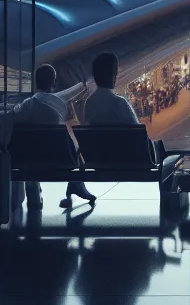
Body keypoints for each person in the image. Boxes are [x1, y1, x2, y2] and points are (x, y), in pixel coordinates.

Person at [14, 64, 99, 211]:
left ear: (35, 82)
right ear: (54, 83)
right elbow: (70, 96)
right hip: (59, 160)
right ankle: (77, 185)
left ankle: (33, 196)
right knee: (74, 146)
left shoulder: (27, 106)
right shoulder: (58, 105)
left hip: (29, 160)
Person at [82, 52, 168, 164]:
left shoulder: (89, 104)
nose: (116, 76)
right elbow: (139, 136)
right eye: (114, 73)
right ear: (112, 75)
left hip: (104, 163)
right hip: (130, 162)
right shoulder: (119, 103)